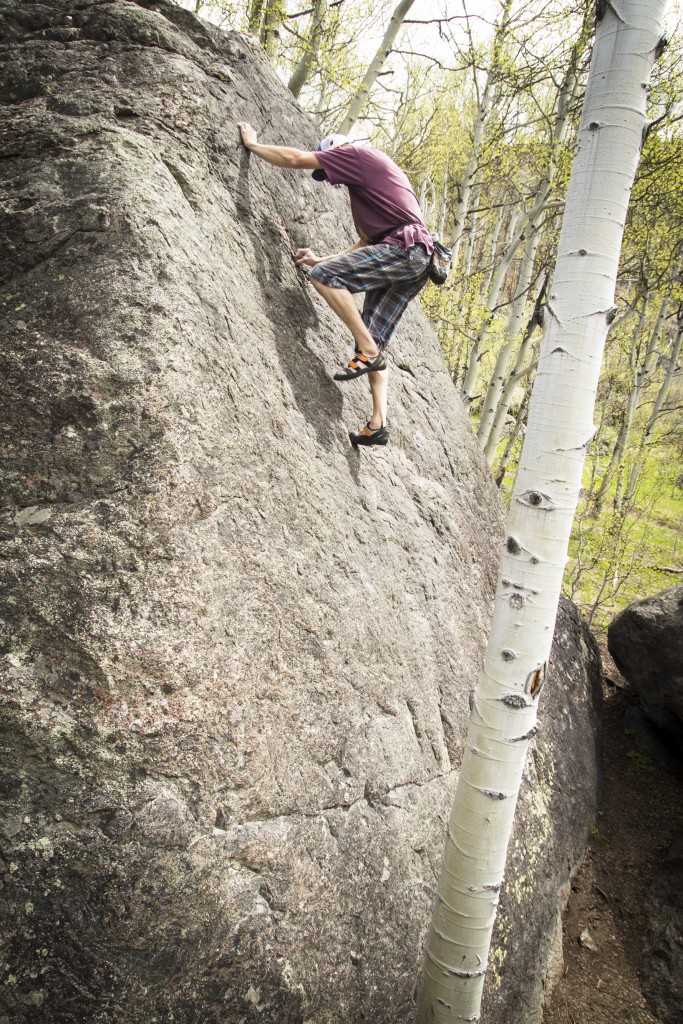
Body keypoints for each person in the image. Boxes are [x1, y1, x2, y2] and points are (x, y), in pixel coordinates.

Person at [237, 123, 433, 447]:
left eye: (326, 170)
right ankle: (378, 422)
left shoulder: (355, 155)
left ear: (334, 152)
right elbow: (367, 243)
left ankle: (368, 352)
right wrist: (322, 258)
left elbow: (297, 159)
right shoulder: (375, 182)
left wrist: (254, 146)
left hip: (406, 249)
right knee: (371, 338)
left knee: (326, 279)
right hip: (418, 260)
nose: (328, 178)